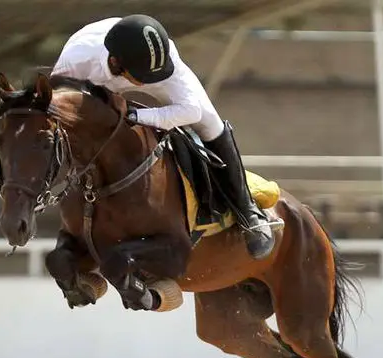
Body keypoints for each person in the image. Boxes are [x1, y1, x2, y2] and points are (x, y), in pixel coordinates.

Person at [50, 14, 275, 260]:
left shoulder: (163, 62)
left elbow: (191, 111)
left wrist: (138, 116)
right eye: (143, 76)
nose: (150, 80)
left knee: (209, 123)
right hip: (92, 82)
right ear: (115, 63)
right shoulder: (77, 60)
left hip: (138, 59)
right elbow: (58, 111)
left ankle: (247, 211)